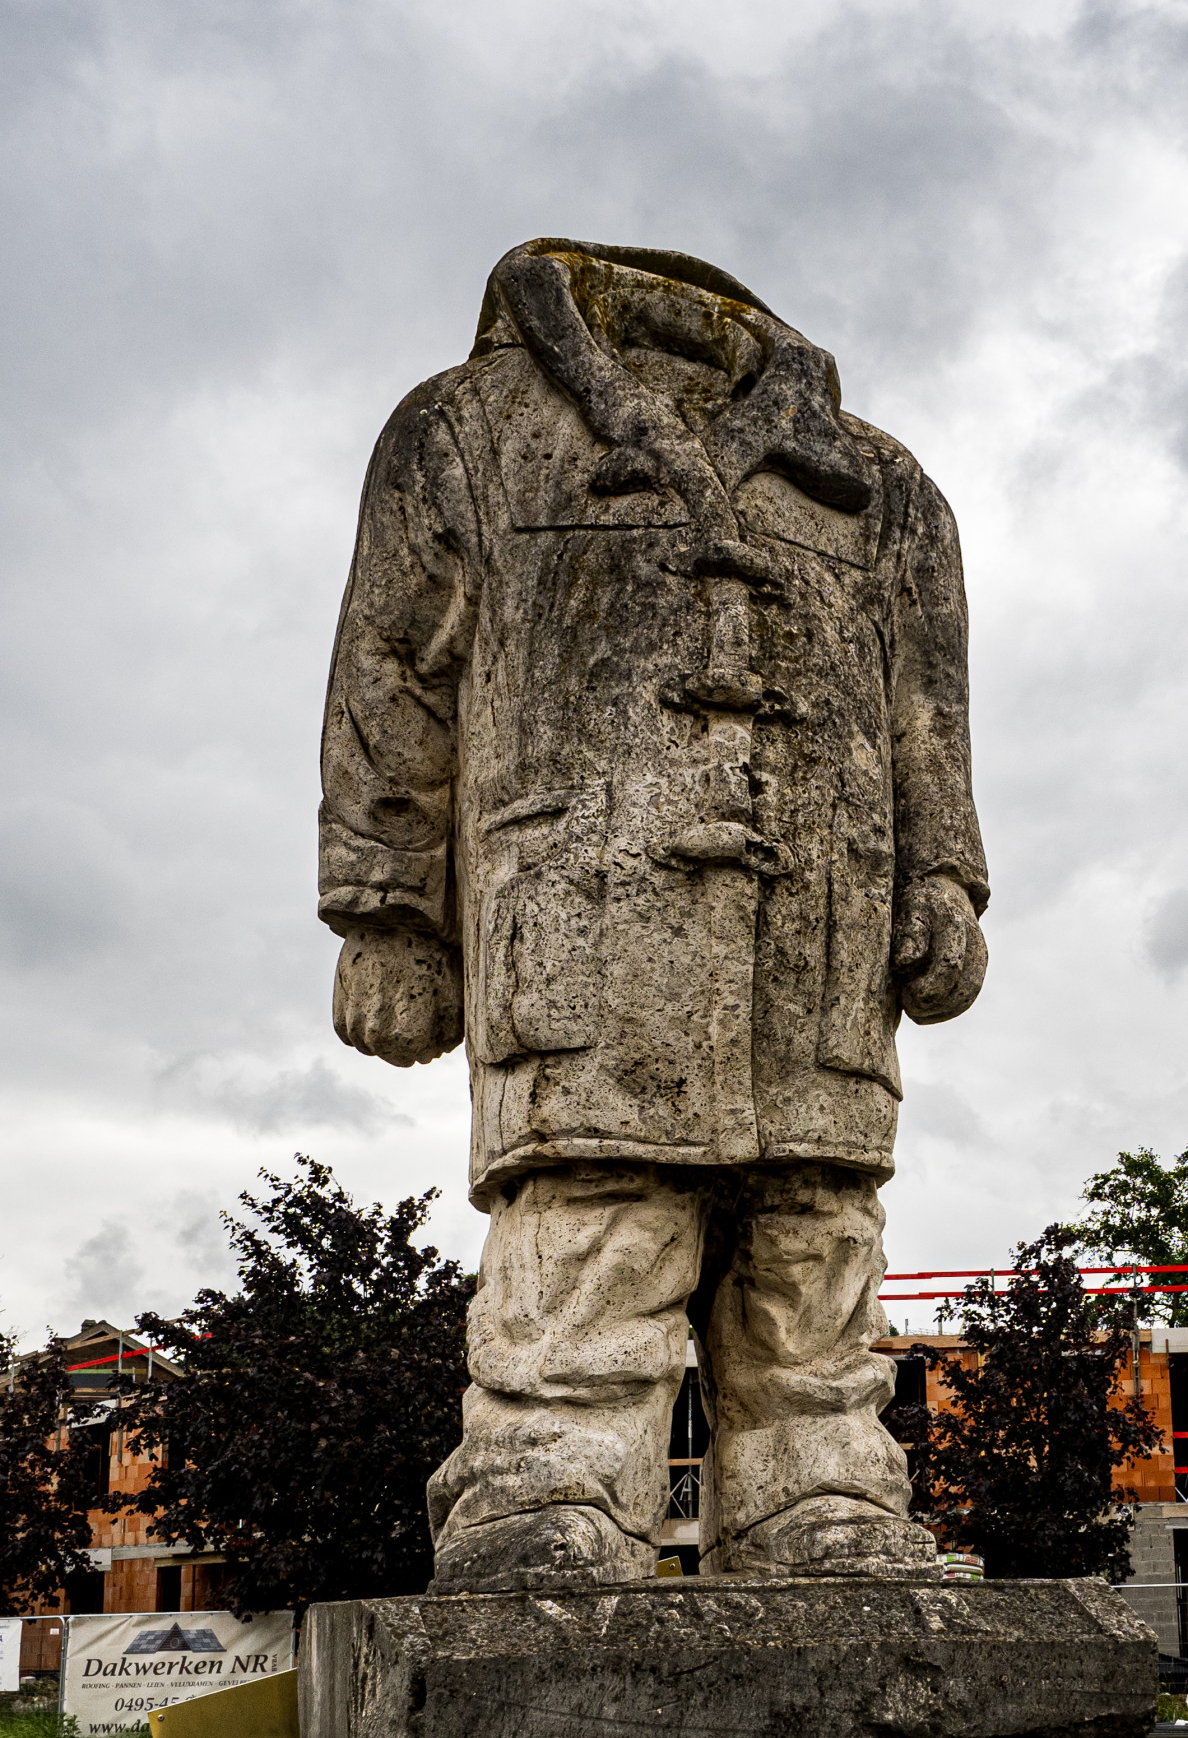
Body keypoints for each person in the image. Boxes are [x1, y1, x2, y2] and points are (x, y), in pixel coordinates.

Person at [320, 240, 988, 1589]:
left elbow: (930, 700)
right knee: (599, 1193)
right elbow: (392, 670)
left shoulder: (882, 485)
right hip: (580, 897)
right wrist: (387, 905)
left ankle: (823, 1492)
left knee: (816, 1210)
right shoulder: (472, 426)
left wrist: (943, 874)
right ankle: (543, 1485)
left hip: (822, 915)